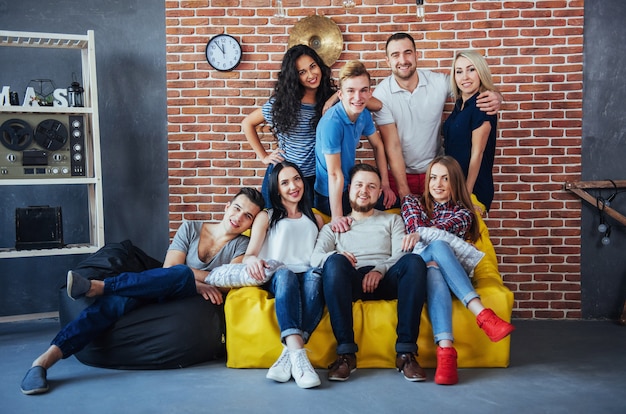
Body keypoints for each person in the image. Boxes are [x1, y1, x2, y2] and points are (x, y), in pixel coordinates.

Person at [20, 188, 265, 395]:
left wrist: (189, 278)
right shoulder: (191, 228)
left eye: (248, 216)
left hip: (189, 303)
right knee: (118, 303)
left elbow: (224, 281)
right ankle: (44, 361)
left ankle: (100, 287)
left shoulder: (242, 246)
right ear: (226, 207)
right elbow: (169, 268)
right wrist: (197, 279)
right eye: (237, 208)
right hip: (164, 284)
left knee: (177, 275)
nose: (239, 218)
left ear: (252, 223)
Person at [401, 156, 514, 385]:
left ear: (455, 182)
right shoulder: (412, 202)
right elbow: (418, 229)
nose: (437, 184)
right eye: (433, 178)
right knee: (435, 253)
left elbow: (435, 231)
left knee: (436, 260)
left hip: (452, 276)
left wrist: (423, 234)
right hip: (416, 270)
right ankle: (482, 314)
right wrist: (424, 234)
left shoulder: (464, 213)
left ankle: (446, 355)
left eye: (445, 178)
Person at [311, 163, 428, 382]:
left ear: (379, 193)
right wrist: (338, 257)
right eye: (359, 185)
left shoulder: (392, 220)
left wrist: (379, 270)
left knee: (414, 261)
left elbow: (399, 255)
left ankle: (406, 354)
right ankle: (345, 354)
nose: (364, 191)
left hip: (387, 279)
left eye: (371, 186)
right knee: (333, 262)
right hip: (350, 281)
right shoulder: (333, 227)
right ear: (349, 189)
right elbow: (315, 258)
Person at [372, 32, 503, 200]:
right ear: (387, 61)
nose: (403, 60)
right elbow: (393, 146)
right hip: (401, 174)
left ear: (416, 55)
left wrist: (496, 95)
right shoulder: (382, 94)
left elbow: (467, 84)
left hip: (438, 174)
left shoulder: (438, 82)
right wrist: (404, 190)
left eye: (408, 52)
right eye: (395, 55)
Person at [243, 161, 325, 389]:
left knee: (316, 275)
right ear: (276, 188)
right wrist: (252, 261)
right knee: (286, 274)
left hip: (308, 275)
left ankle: (289, 355)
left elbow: (318, 256)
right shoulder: (266, 216)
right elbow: (250, 253)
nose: (293, 186)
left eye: (297, 179)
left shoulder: (315, 219)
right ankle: (299, 355)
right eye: (285, 182)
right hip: (278, 277)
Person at [242, 45, 336, 208]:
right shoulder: (282, 104)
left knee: (312, 228)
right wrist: (264, 156)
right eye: (302, 72)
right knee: (274, 227)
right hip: (283, 177)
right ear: (294, 77)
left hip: (315, 178)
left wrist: (333, 98)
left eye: (313, 66)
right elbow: (247, 123)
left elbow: (375, 104)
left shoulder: (331, 101)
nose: (311, 75)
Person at [314, 60, 396, 233]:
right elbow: (334, 174)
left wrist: (385, 183)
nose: (358, 98)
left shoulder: (364, 114)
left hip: (350, 187)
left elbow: (378, 146)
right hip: (329, 194)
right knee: (353, 228)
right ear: (341, 94)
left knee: (394, 205)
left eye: (363, 90)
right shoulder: (331, 123)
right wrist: (337, 216)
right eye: (351, 91)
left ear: (369, 93)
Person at [443, 49, 498, 213]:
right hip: (455, 185)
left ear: (481, 72)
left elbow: (477, 154)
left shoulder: (482, 105)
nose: (464, 77)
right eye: (459, 71)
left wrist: (466, 193)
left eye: (471, 69)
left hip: (472, 189)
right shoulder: (460, 105)